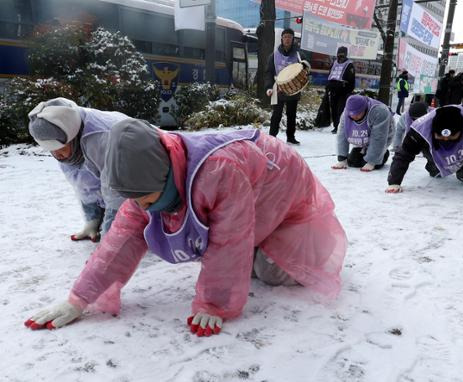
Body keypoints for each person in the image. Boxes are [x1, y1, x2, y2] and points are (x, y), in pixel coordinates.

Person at [24, 120, 347, 335]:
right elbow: (120, 240)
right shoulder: (145, 179)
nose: (142, 208)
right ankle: (260, 246)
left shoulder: (218, 172)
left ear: (161, 180)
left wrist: (214, 303)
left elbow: (228, 241)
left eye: (146, 200)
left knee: (269, 271)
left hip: (280, 185)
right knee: (239, 251)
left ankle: (308, 249)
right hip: (246, 184)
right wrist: (79, 298)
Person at [27, 97, 130, 242]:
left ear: (72, 137)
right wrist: (92, 220)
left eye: (60, 149)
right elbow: (82, 182)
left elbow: (116, 190)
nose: (57, 155)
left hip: (153, 170)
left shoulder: (102, 137)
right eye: (51, 150)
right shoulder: (63, 130)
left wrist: (110, 234)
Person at [386, 105, 463, 203]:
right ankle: (434, 164)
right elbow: (404, 154)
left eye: (451, 138)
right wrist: (394, 182)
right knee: (436, 172)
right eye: (441, 137)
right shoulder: (419, 129)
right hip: (434, 152)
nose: (446, 140)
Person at [265, 28, 309, 145]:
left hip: (293, 89)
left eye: (290, 37)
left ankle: (290, 137)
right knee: (276, 114)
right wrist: (269, 87)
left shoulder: (299, 54)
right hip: (278, 88)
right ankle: (272, 137)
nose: (287, 39)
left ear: (293, 39)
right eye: (285, 37)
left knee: (291, 114)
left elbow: (306, 70)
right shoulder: (274, 55)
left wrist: (305, 68)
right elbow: (269, 72)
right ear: (281, 38)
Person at [332, 95, 394, 171]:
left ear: (364, 109)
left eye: (357, 113)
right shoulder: (346, 113)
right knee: (353, 162)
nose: (354, 116)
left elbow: (379, 138)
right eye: (351, 114)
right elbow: (342, 135)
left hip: (382, 137)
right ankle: (364, 151)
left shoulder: (380, 111)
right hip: (363, 139)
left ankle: (384, 153)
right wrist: (342, 158)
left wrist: (371, 162)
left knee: (376, 164)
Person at [326, 46, 356, 134]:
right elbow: (330, 75)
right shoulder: (334, 63)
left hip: (343, 92)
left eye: (342, 54)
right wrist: (328, 86)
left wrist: (348, 91)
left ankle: (340, 127)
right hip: (333, 90)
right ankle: (336, 126)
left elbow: (351, 80)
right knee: (334, 109)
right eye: (339, 54)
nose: (340, 56)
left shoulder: (349, 65)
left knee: (341, 110)